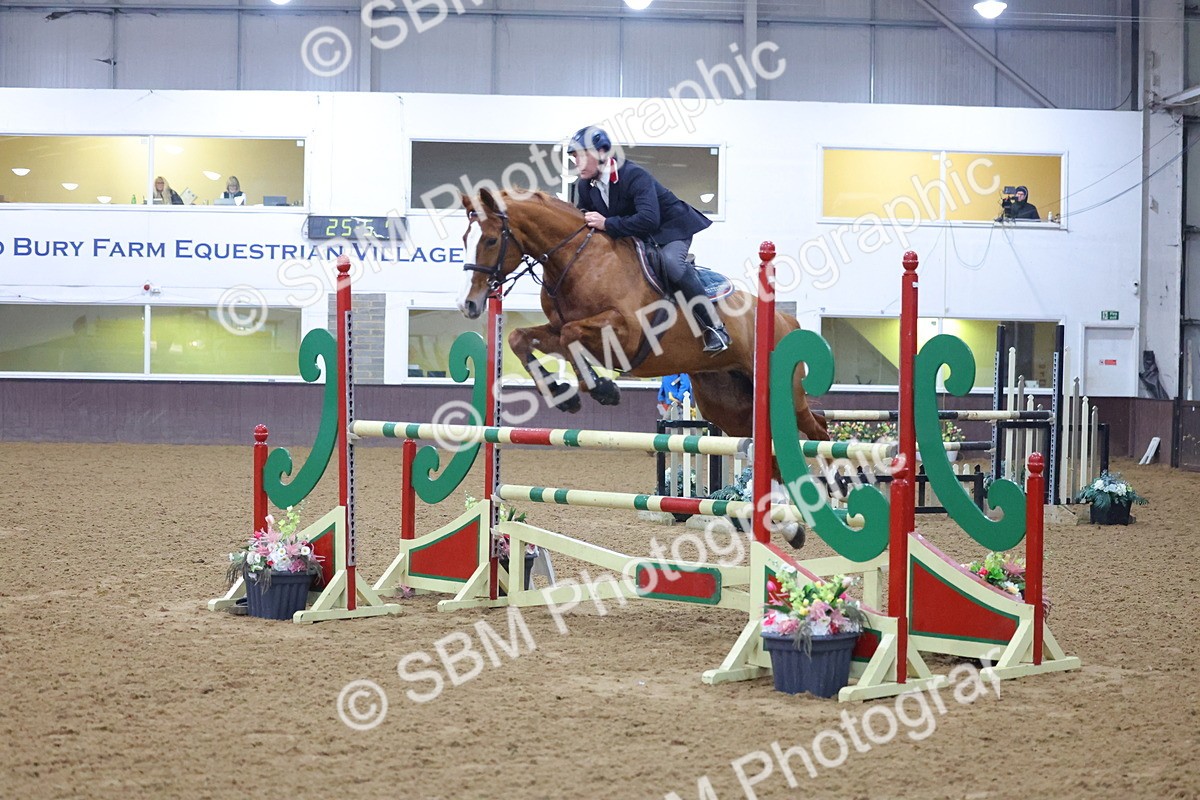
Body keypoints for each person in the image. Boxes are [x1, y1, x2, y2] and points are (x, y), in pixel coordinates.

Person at [567, 126, 730, 354]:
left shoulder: (633, 175)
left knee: (671, 263)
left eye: (580, 156)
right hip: (634, 234)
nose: (576, 162)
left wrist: (607, 224)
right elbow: (586, 218)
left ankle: (715, 327)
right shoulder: (585, 185)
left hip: (669, 229)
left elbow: (648, 220)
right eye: (574, 157)